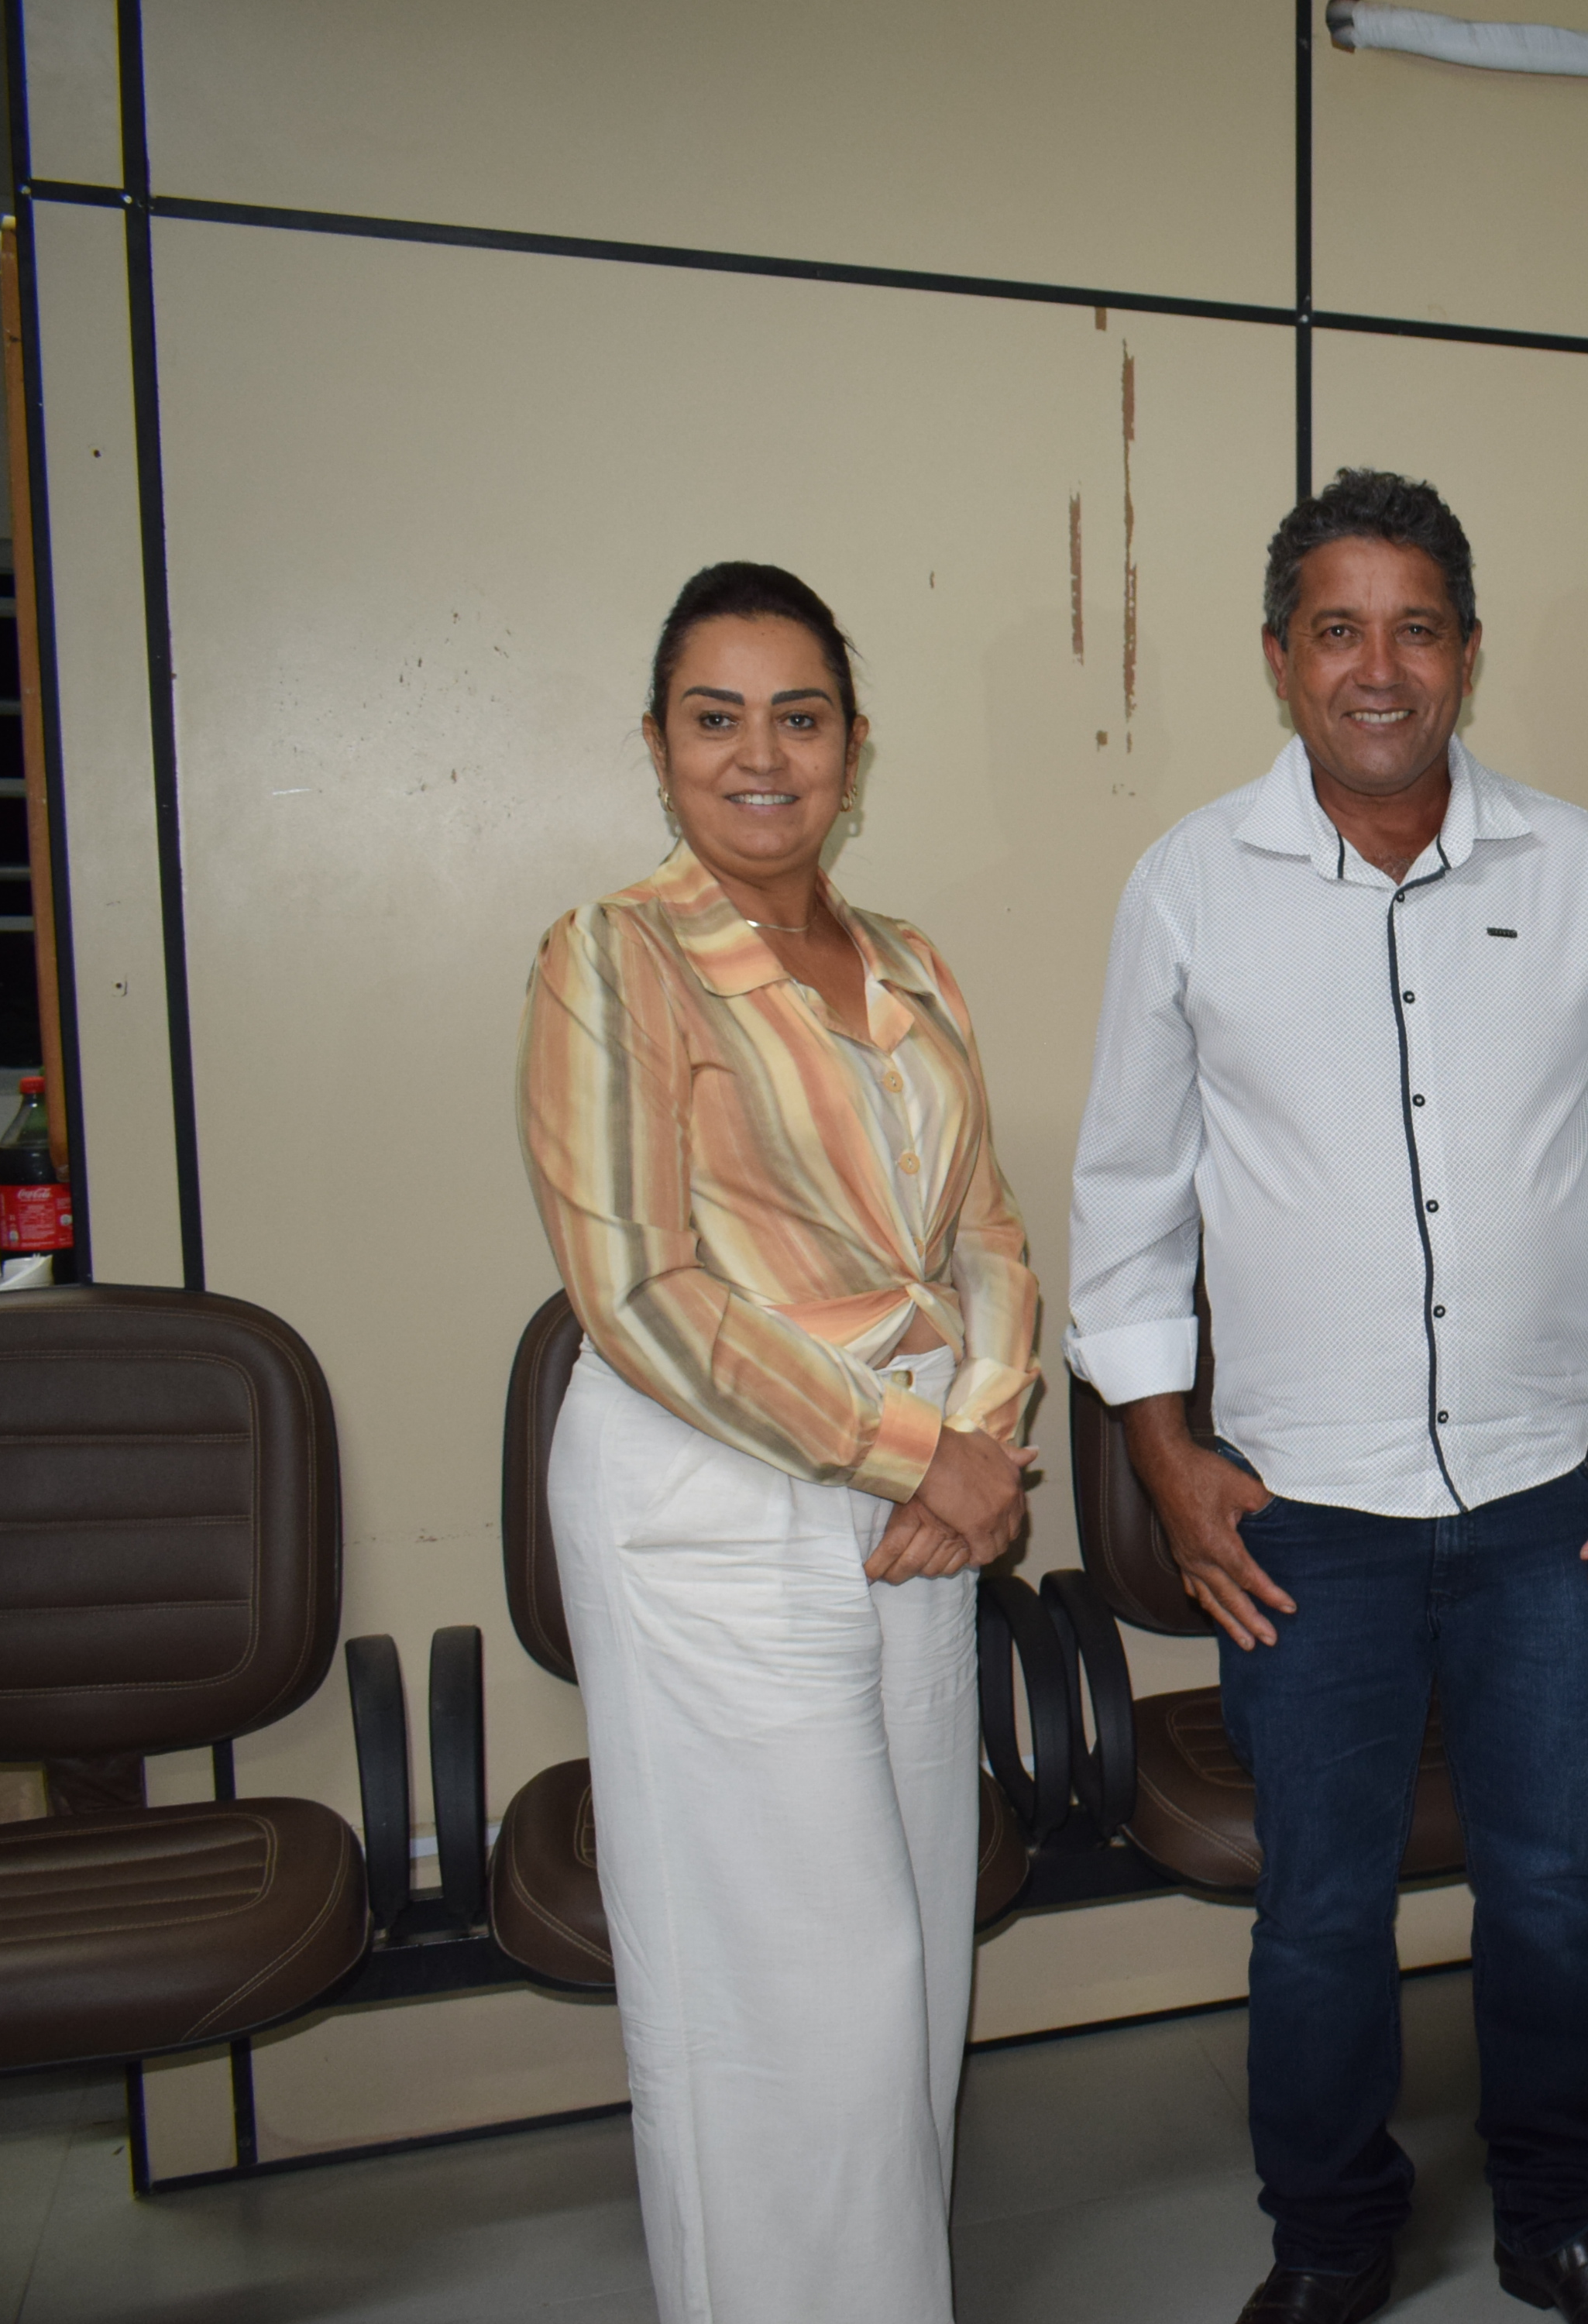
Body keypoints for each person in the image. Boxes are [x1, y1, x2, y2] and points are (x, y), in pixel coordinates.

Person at [1067, 469, 1588, 2324]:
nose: (1381, 668)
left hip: (1551, 1496)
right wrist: (1165, 1458)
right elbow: (1127, 1196)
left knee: (1554, 1889)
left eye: (1417, 627)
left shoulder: (1573, 868)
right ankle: (1329, 2238)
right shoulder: (1191, 885)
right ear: (1281, 659)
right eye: (1340, 630)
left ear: (1467, 652)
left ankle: (1556, 2220)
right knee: (1319, 1914)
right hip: (1303, 1514)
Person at [518, 561, 1042, 2323]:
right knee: (788, 2009)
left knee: (910, 1981)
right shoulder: (612, 957)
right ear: (658, 744)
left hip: (915, 1515)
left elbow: (986, 1237)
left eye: (798, 718)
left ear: (853, 745)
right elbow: (638, 1292)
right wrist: (913, 1447)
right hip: (711, 1508)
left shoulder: (910, 964)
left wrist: (976, 1449)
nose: (761, 756)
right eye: (716, 718)